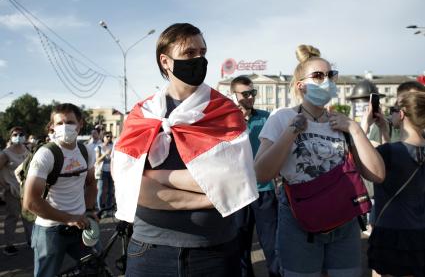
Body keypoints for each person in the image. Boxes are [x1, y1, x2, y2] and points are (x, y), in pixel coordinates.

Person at [111, 23, 258, 277]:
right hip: (150, 251)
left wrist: (156, 178)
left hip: (213, 251)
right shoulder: (141, 115)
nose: (199, 58)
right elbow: (133, 188)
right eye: (190, 53)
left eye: (202, 51)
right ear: (166, 62)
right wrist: (211, 197)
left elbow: (235, 180)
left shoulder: (224, 112)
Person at [254, 44, 385, 277]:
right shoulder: (282, 117)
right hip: (299, 222)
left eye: (330, 75)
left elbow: (377, 174)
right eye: (318, 76)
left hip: (345, 219)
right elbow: (261, 173)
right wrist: (291, 131)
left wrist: (355, 129)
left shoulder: (342, 122)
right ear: (300, 85)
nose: (327, 81)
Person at [22, 103, 97, 277]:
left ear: (80, 124)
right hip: (50, 230)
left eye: (70, 122)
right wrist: (69, 218)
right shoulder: (46, 154)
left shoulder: (87, 151)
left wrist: (90, 209)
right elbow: (30, 202)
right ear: (52, 127)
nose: (65, 127)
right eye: (59, 123)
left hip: (80, 224)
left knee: (95, 267)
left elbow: (92, 183)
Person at [367, 90, 425, 276]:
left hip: (391, 233)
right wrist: (385, 132)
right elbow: (398, 167)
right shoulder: (393, 151)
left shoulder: (389, 152)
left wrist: (362, 125)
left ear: (401, 114)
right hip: (419, 232)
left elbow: (367, 160)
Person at [231, 76, 280, 277]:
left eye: (253, 93)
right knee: (239, 248)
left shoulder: (266, 117)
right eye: (245, 94)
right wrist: (235, 120)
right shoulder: (226, 120)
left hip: (264, 190)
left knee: (272, 245)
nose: (250, 97)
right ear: (234, 95)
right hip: (238, 192)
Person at [0, 126, 32, 255]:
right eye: (15, 134)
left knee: (29, 217)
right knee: (12, 218)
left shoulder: (28, 150)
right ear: (11, 137)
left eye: (20, 134)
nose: (18, 136)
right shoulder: (5, 153)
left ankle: (31, 241)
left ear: (24, 136)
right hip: (12, 192)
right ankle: (9, 245)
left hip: (26, 191)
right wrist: (5, 186)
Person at [95, 131, 114, 212]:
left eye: (110, 136)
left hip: (111, 171)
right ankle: (100, 209)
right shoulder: (99, 147)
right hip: (102, 171)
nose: (109, 138)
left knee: (110, 191)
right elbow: (97, 160)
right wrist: (105, 153)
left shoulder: (112, 146)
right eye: (107, 136)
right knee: (101, 190)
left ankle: (109, 209)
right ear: (103, 137)